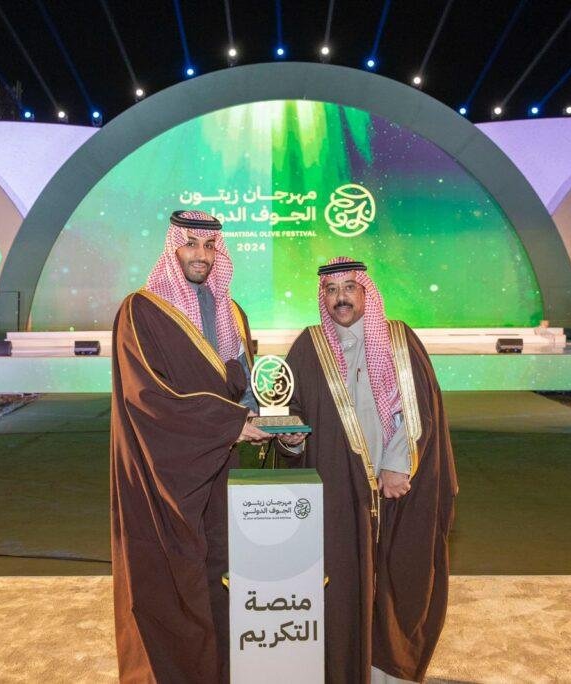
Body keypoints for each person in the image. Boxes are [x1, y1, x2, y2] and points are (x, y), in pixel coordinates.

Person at [277, 256, 458, 683]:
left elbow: (419, 408)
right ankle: (342, 666)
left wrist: (397, 465)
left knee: (398, 578)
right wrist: (290, 440)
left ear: (365, 292)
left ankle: (385, 670)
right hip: (338, 492)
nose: (340, 298)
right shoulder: (308, 345)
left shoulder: (398, 339)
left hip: (396, 487)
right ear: (322, 297)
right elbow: (290, 408)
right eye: (331, 290)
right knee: (341, 581)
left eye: (349, 288)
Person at [110, 209, 269, 682]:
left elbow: (243, 385)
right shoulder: (141, 311)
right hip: (163, 469)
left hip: (221, 466)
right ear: (173, 248)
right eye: (191, 244)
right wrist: (230, 422)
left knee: (223, 571)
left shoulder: (232, 312)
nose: (202, 255)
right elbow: (147, 397)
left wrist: (263, 414)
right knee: (168, 575)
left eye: (210, 246)